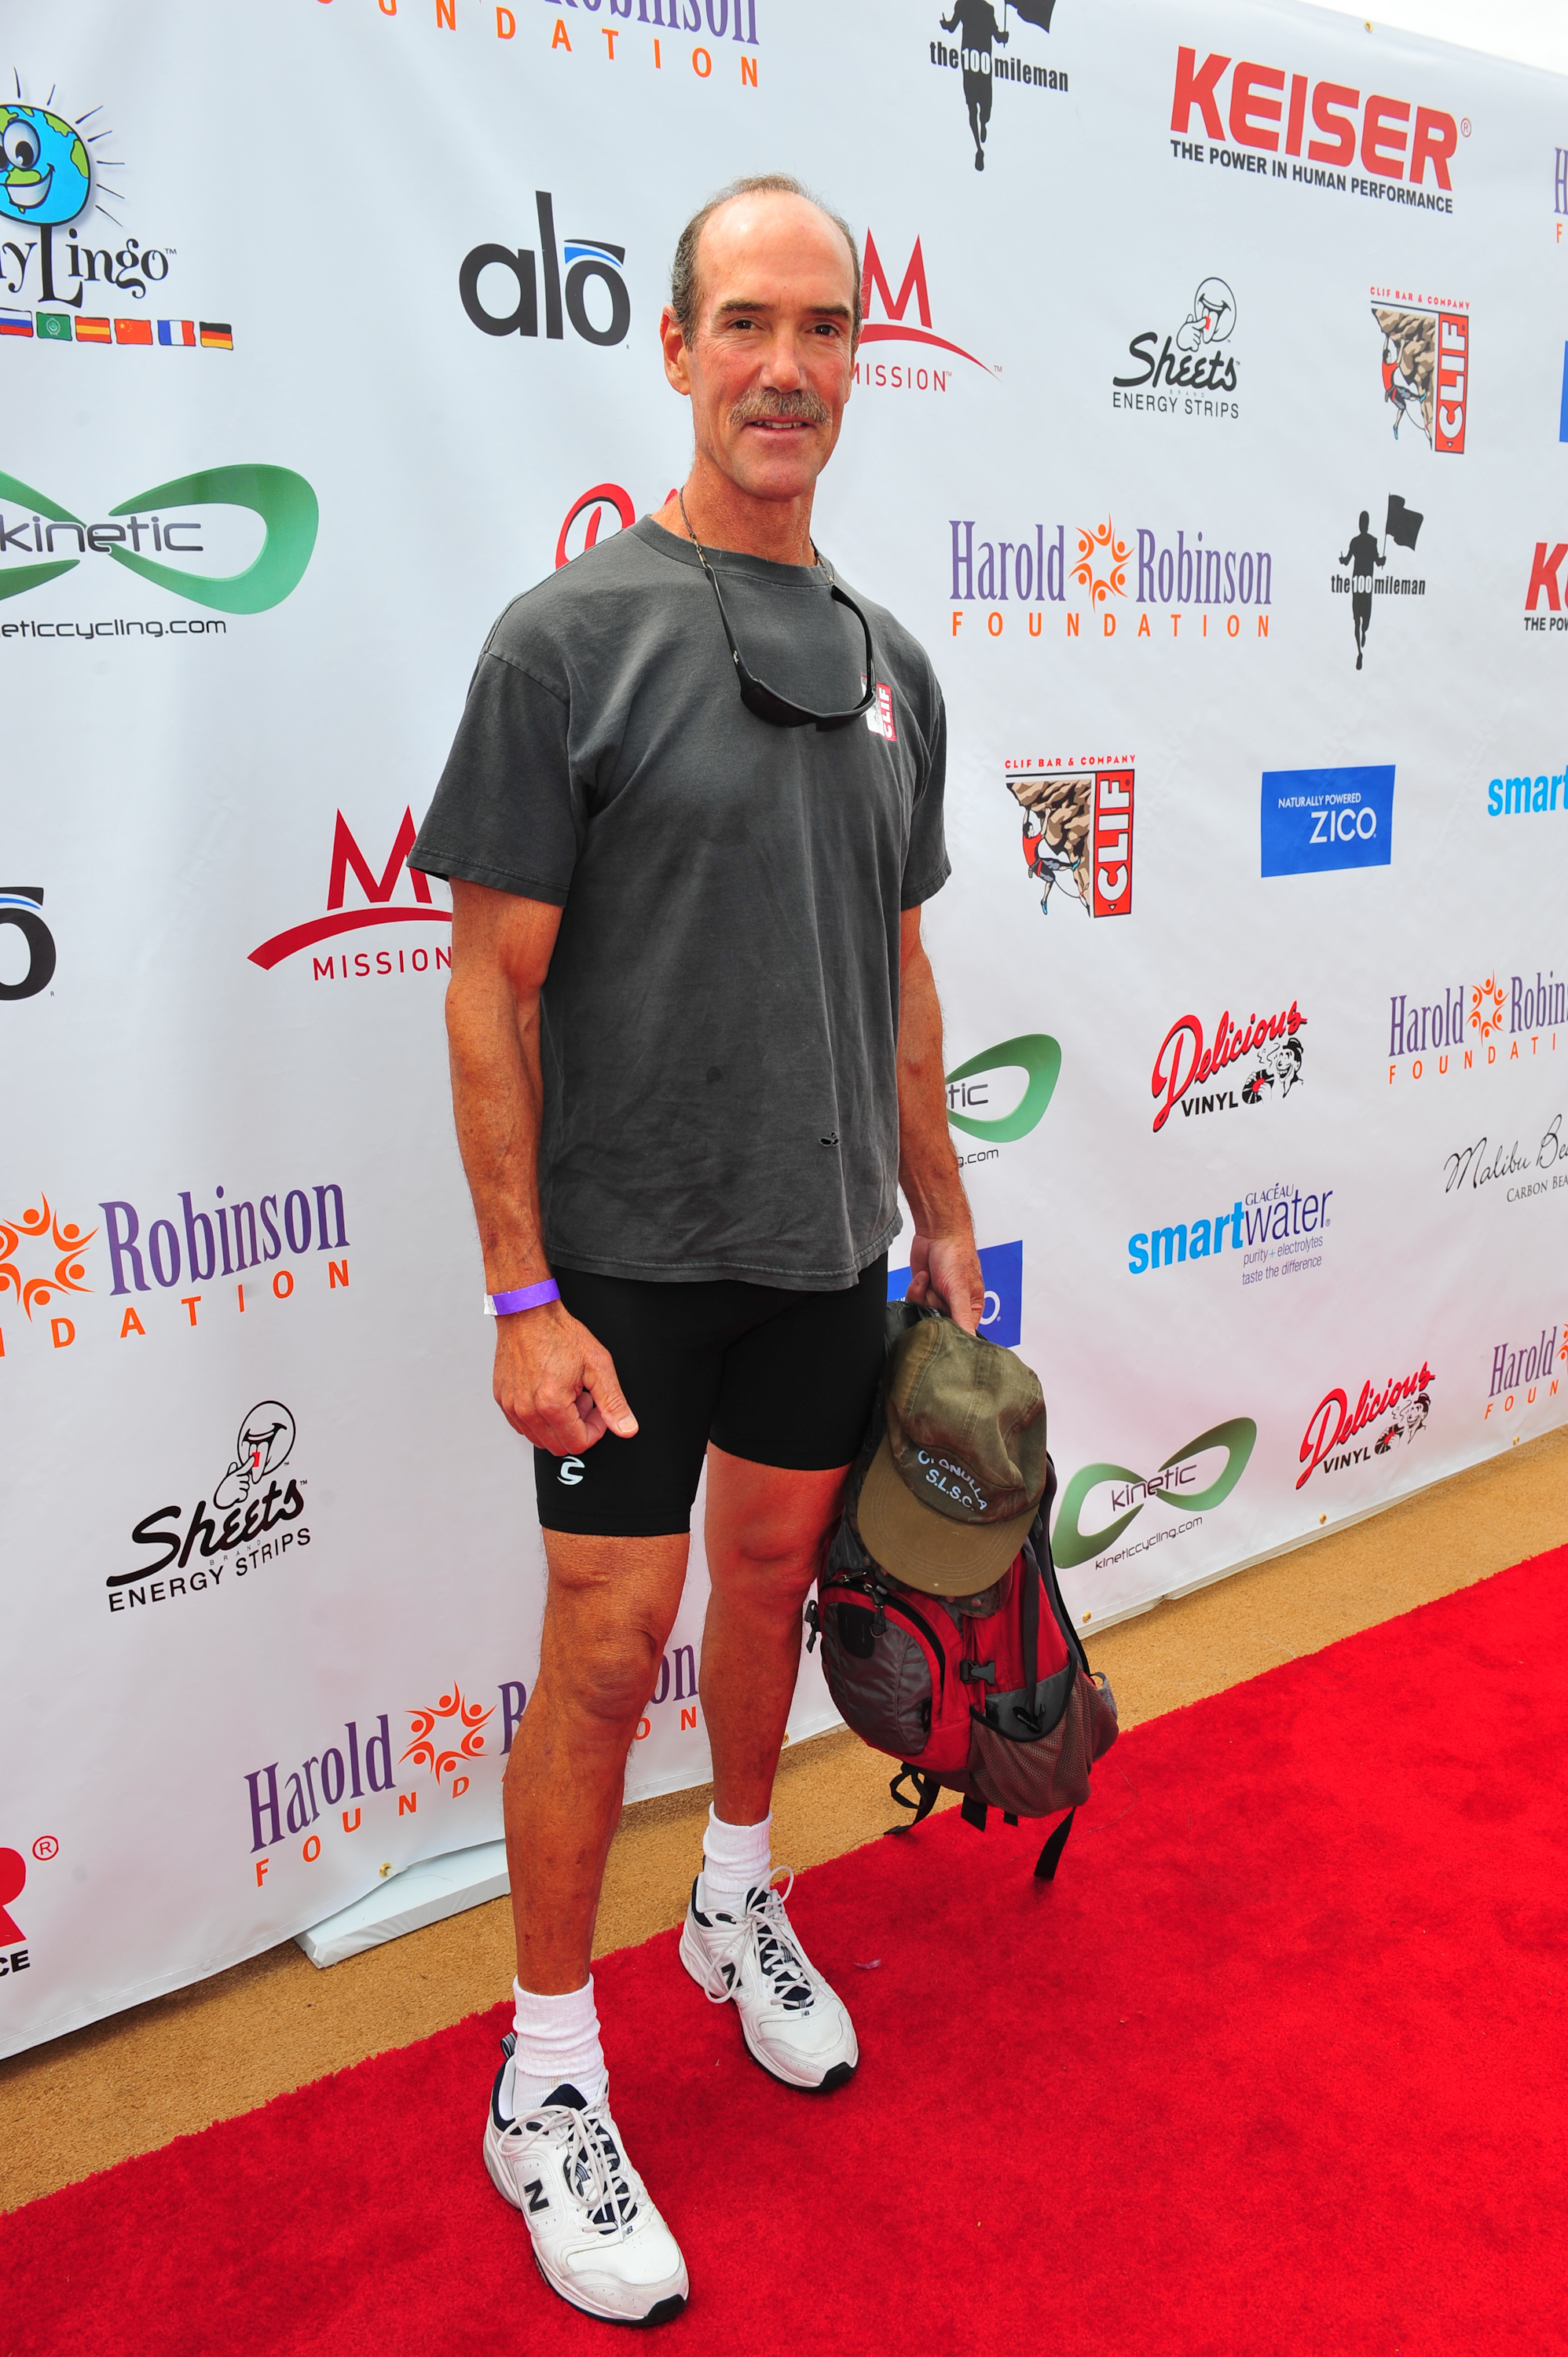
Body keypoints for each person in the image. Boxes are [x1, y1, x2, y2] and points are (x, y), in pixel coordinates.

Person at [412, 174, 982, 2327]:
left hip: (824, 1249)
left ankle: (735, 1901)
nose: (783, 367)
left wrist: (938, 1220)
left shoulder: (890, 663)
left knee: (763, 1588)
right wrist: (518, 1290)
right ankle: (544, 2074)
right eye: (742, 324)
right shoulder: (567, 640)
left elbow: (903, 967)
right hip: (623, 1270)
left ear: (859, 361)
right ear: (672, 349)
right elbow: (486, 985)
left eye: (822, 329)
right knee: (598, 1638)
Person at [940, 0, 1009, 170]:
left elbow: (951, 27)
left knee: (976, 107)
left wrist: (945, 24)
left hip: (973, 62)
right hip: (979, 64)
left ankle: (982, 128)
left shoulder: (965, 5)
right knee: (979, 105)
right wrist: (1003, 36)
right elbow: (997, 36)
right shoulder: (985, 9)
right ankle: (979, 144)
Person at [1339, 509, 1386, 671]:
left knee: (1360, 620)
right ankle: (1360, 650)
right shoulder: (1371, 541)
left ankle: (1363, 634)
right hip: (1364, 585)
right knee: (1360, 619)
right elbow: (1377, 561)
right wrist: (1381, 561)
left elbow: (1346, 560)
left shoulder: (1358, 542)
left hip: (1360, 585)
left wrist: (1342, 560)